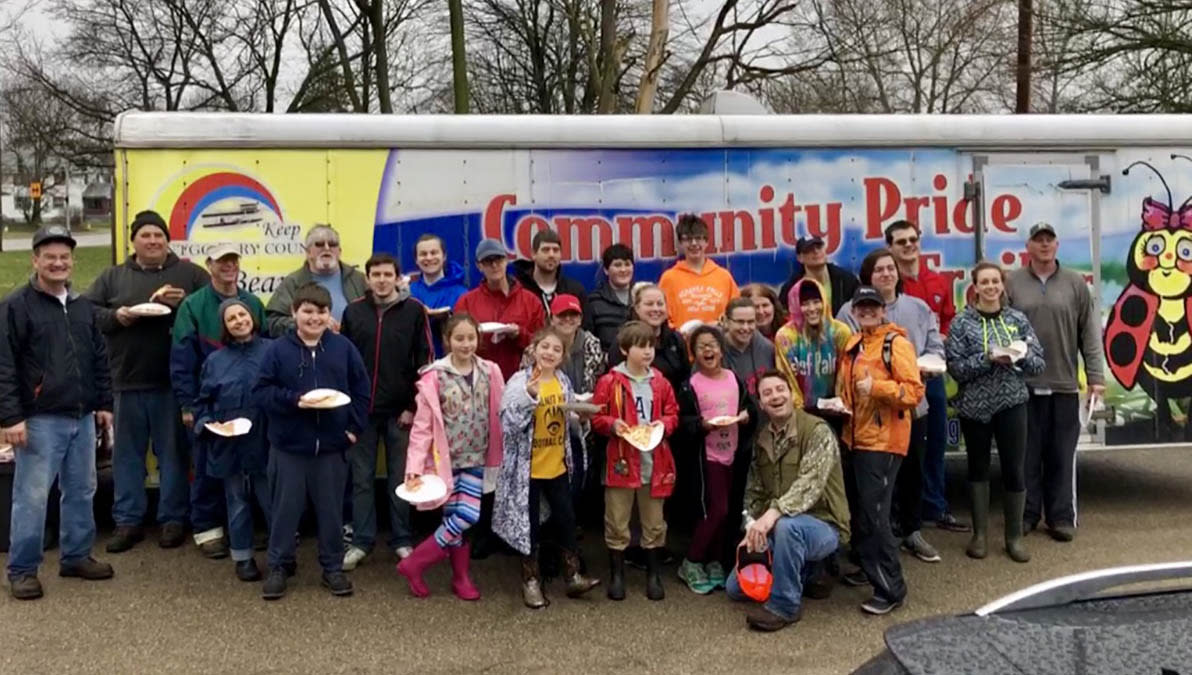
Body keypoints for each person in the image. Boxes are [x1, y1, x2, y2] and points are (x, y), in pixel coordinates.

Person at [85, 210, 210, 554]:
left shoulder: (190, 274)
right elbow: (87, 313)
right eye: (146, 235)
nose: (153, 241)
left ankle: (172, 519)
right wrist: (119, 316)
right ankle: (128, 521)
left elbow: (214, 311)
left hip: (172, 383)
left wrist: (183, 304)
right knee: (127, 456)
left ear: (168, 240)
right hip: (125, 381)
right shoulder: (113, 277)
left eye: (158, 235)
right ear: (134, 241)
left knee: (172, 455)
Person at [1, 225, 115, 600]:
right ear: (35, 260)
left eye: (64, 257)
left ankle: (77, 555)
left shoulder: (82, 306)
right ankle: (22, 569)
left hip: (81, 416)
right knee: (32, 496)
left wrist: (103, 404)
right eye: (49, 256)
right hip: (38, 418)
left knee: (82, 489)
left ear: (72, 261)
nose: (57, 263)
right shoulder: (16, 307)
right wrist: (10, 418)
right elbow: (4, 365)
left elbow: (98, 358)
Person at [253, 283, 371, 601]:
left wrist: (353, 430)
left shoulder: (343, 348)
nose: (314, 318)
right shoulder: (277, 350)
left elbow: (362, 391)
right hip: (288, 448)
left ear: (329, 314)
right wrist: (295, 401)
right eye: (307, 311)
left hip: (332, 447)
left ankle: (332, 567)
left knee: (332, 512)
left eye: (321, 311)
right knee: (284, 511)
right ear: (294, 313)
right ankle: (279, 566)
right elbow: (261, 392)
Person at [838, 249, 947, 563]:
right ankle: (876, 545)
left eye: (890, 268)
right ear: (868, 276)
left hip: (912, 409)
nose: (886, 273)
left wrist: (928, 364)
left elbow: (935, 347)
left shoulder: (918, 307)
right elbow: (847, 353)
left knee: (913, 472)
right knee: (871, 491)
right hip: (867, 420)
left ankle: (912, 532)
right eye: (879, 269)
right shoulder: (849, 311)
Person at [725, 371, 850, 632]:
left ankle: (785, 606)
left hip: (823, 524)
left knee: (788, 528)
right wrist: (751, 526)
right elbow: (754, 492)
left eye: (780, 389)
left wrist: (772, 515)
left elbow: (810, 484)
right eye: (767, 393)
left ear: (792, 394)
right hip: (778, 523)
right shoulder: (762, 439)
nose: (775, 396)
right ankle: (807, 571)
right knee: (735, 589)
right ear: (760, 403)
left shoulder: (817, 431)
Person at [1006, 222, 1106, 542]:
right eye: (1038, 240)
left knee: (1061, 454)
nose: (1044, 245)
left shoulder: (1076, 283)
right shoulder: (1013, 282)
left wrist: (1095, 377)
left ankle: (1060, 517)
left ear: (1057, 245)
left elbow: (1089, 333)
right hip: (1024, 386)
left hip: (1064, 385)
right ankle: (1028, 514)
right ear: (1029, 246)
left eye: (1049, 239)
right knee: (1027, 455)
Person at [397, 315, 505, 600]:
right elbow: (421, 428)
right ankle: (459, 577)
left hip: (477, 457)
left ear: (478, 339)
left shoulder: (490, 371)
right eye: (459, 338)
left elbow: (501, 411)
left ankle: (416, 563)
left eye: (471, 338)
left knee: (467, 515)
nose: (466, 344)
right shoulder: (434, 377)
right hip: (445, 461)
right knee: (456, 518)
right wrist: (414, 468)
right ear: (448, 341)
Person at [170, 243, 267, 559]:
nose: (228, 266)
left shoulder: (253, 302)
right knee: (208, 467)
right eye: (221, 261)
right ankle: (207, 529)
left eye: (233, 261)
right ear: (209, 266)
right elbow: (182, 358)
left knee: (257, 470)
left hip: (252, 407)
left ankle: (252, 531)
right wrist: (189, 405)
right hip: (209, 404)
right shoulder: (193, 305)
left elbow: (265, 347)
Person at [493, 327, 601, 609]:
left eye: (556, 349)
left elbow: (565, 421)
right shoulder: (519, 381)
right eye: (545, 347)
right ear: (533, 349)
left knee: (566, 519)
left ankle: (573, 575)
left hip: (556, 466)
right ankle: (530, 580)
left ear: (562, 356)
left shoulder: (563, 381)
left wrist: (581, 417)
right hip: (527, 471)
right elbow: (508, 425)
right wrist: (529, 398)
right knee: (528, 526)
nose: (550, 353)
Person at [946, 262, 1045, 563]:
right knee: (977, 469)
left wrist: (1019, 356)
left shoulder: (1017, 320)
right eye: (983, 282)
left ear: (1002, 285)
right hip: (975, 407)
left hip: (1012, 404)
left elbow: (1039, 364)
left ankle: (1013, 538)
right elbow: (956, 369)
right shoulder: (961, 323)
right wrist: (988, 358)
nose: (990, 287)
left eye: (995, 281)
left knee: (1014, 469)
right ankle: (979, 536)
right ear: (974, 287)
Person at [339, 253, 431, 571]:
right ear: (367, 279)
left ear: (397, 277)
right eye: (375, 274)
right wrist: (350, 407)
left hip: (400, 413)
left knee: (401, 478)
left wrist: (412, 406)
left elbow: (425, 362)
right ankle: (362, 541)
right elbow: (343, 363)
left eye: (387, 274)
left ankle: (402, 539)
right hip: (362, 412)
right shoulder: (353, 313)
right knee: (362, 479)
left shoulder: (414, 312)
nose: (381, 280)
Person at [836, 286, 924, 615]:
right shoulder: (854, 344)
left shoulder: (895, 344)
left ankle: (891, 589)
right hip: (856, 439)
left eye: (874, 307)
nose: (868, 312)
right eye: (862, 308)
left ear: (883, 310)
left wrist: (878, 388)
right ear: (855, 312)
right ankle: (871, 570)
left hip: (884, 443)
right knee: (863, 513)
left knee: (876, 516)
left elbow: (913, 392)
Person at [884, 220, 968, 534]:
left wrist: (942, 340)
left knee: (935, 445)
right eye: (900, 241)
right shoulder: (888, 284)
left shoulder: (938, 281)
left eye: (912, 240)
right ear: (890, 247)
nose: (908, 246)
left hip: (930, 378)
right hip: (895, 383)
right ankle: (900, 514)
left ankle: (936, 506)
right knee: (899, 450)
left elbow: (948, 319)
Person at [591, 321, 680, 602]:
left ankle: (652, 574)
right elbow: (597, 416)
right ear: (624, 350)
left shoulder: (660, 381)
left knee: (654, 521)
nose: (647, 352)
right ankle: (617, 574)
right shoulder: (610, 381)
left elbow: (673, 413)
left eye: (651, 346)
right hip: (621, 460)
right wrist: (613, 425)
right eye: (640, 347)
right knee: (617, 519)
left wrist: (663, 425)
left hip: (654, 461)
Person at [192, 299, 273, 581]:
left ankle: (280, 555)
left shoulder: (272, 351)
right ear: (224, 327)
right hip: (230, 445)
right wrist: (207, 423)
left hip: (267, 442)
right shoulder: (215, 361)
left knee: (272, 500)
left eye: (242, 314)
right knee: (236, 502)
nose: (239, 321)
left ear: (252, 317)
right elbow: (203, 403)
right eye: (231, 319)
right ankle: (243, 557)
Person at [675, 325, 756, 595]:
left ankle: (713, 561)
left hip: (732, 454)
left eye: (713, 345)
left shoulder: (735, 378)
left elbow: (749, 409)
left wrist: (745, 417)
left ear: (722, 349)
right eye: (701, 347)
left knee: (729, 512)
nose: (708, 350)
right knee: (715, 510)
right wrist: (702, 425)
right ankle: (691, 561)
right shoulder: (691, 385)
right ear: (693, 354)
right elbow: (682, 423)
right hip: (706, 457)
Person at [453, 238, 546, 380]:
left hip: (522, 381)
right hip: (479, 380)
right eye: (488, 261)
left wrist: (519, 334)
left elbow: (543, 344)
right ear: (479, 266)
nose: (494, 265)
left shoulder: (530, 301)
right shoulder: (466, 303)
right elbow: (455, 343)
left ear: (506, 260)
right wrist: (475, 337)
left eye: (498, 259)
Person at [265, 224, 367, 337]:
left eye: (332, 244)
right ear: (308, 252)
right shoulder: (293, 282)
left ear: (339, 251)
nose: (327, 248)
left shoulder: (359, 279)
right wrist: (306, 323)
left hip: (351, 350)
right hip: (305, 351)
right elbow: (271, 323)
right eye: (319, 244)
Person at [774, 278, 852, 411]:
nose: (812, 308)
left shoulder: (840, 332)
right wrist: (799, 411)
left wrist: (839, 403)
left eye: (816, 302)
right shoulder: (786, 336)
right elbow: (786, 376)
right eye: (805, 304)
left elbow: (845, 372)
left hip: (836, 408)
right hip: (801, 411)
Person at [659, 214, 739, 328]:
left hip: (718, 343)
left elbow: (737, 314)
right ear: (680, 243)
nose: (694, 243)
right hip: (682, 344)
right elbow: (662, 319)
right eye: (688, 239)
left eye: (698, 238)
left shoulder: (723, 276)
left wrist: (720, 325)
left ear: (706, 242)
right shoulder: (669, 278)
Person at [609, 283, 690, 393]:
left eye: (660, 304)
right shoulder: (623, 340)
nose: (656, 309)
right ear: (636, 308)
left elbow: (685, 377)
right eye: (649, 304)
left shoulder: (676, 339)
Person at [408, 234, 469, 358]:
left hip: (452, 364)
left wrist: (448, 319)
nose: (429, 258)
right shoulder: (408, 292)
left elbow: (468, 333)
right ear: (416, 260)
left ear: (444, 256)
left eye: (434, 252)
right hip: (417, 364)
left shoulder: (461, 293)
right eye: (423, 254)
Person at [512, 229, 587, 317]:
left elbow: (586, 326)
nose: (551, 255)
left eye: (556, 250)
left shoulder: (574, 290)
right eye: (545, 250)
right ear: (533, 254)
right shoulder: (518, 289)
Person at [778, 236, 859, 316]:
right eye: (809, 249)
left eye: (819, 247)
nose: (816, 251)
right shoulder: (790, 288)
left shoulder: (846, 280)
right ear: (800, 258)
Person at [584, 243, 635, 355]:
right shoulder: (594, 301)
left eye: (627, 264)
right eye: (617, 265)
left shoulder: (642, 296)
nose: (623, 269)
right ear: (606, 270)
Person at [721, 297, 777, 398]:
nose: (746, 328)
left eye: (750, 322)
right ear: (726, 321)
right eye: (740, 322)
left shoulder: (768, 349)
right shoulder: (714, 351)